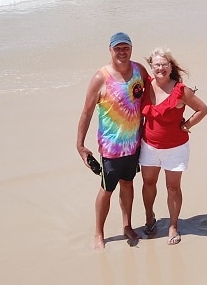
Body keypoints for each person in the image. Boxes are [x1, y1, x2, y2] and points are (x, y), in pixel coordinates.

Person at [76, 32, 150, 249]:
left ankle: (127, 225)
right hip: (111, 148)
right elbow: (86, 113)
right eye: (117, 48)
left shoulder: (139, 71)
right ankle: (99, 233)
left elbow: (153, 92)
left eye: (125, 47)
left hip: (134, 144)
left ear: (131, 49)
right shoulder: (101, 78)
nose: (122, 52)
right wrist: (80, 145)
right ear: (110, 50)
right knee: (107, 189)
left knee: (128, 184)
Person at [139, 48, 207, 245]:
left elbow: (203, 109)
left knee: (172, 187)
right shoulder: (145, 86)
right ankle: (149, 218)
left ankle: (173, 225)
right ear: (151, 67)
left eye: (164, 64)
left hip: (175, 148)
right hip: (148, 146)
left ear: (170, 67)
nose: (160, 68)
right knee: (148, 184)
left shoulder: (180, 90)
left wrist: (187, 125)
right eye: (156, 64)